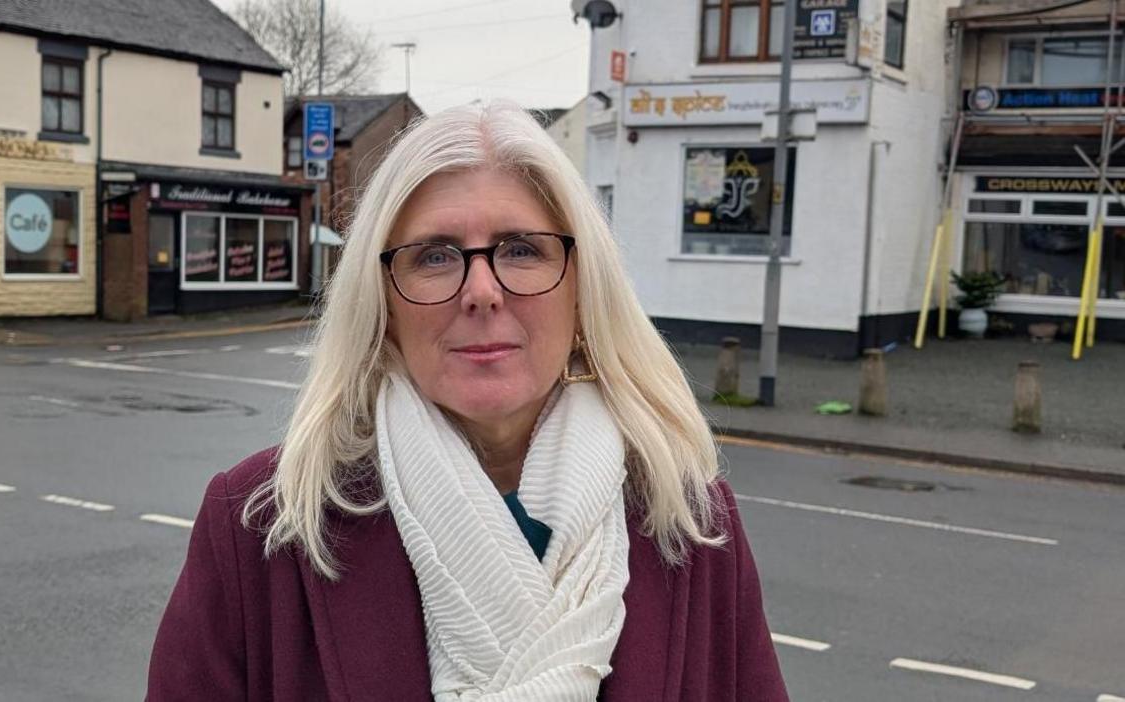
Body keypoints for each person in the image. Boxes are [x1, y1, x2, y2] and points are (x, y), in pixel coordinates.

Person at [148, 101, 789, 701]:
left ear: (583, 289)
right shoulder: (259, 525)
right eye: (434, 256)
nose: (481, 290)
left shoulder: (693, 522)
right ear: (383, 303)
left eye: (520, 249)